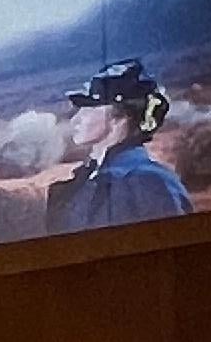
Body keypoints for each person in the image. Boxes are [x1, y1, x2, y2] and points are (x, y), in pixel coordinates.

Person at [46, 61, 193, 233]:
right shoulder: (82, 182)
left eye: (89, 109)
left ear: (121, 117)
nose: (76, 120)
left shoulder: (149, 183)